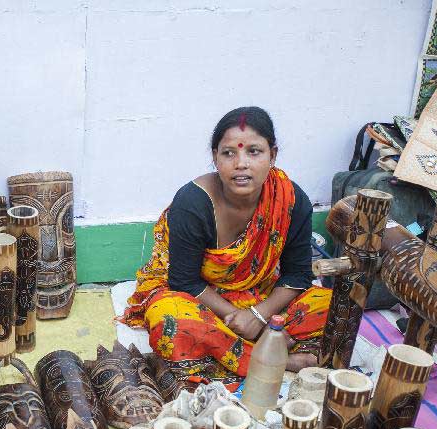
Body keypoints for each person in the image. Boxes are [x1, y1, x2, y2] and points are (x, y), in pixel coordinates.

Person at [121, 106, 331, 384]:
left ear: (273, 155)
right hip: (201, 298)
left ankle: (243, 351)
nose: (241, 163)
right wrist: (242, 321)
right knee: (170, 322)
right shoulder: (193, 202)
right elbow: (184, 281)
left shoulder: (290, 200)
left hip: (260, 295)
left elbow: (298, 275)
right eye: (229, 153)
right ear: (215, 157)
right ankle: (280, 359)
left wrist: (259, 315)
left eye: (253, 151)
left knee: (332, 305)